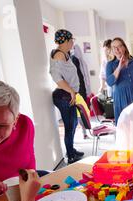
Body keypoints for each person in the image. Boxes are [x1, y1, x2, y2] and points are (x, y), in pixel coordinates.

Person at [49, 29, 84, 164]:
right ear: (64, 41)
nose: (72, 43)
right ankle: (70, 156)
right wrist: (70, 91)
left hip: (67, 94)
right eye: (70, 41)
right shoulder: (58, 55)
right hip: (63, 95)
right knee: (69, 126)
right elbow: (57, 77)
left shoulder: (65, 54)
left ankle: (71, 149)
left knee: (74, 124)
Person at [106, 37, 133, 124]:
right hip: (121, 99)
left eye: (119, 46)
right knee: (124, 125)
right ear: (112, 50)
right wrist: (119, 66)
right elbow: (110, 82)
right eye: (113, 47)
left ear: (124, 47)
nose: (116, 49)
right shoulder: (110, 64)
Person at [72, 44, 92, 140]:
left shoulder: (80, 61)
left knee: (82, 111)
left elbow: (83, 76)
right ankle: (84, 132)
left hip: (81, 89)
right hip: (78, 90)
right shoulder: (73, 60)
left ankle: (85, 131)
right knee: (80, 112)